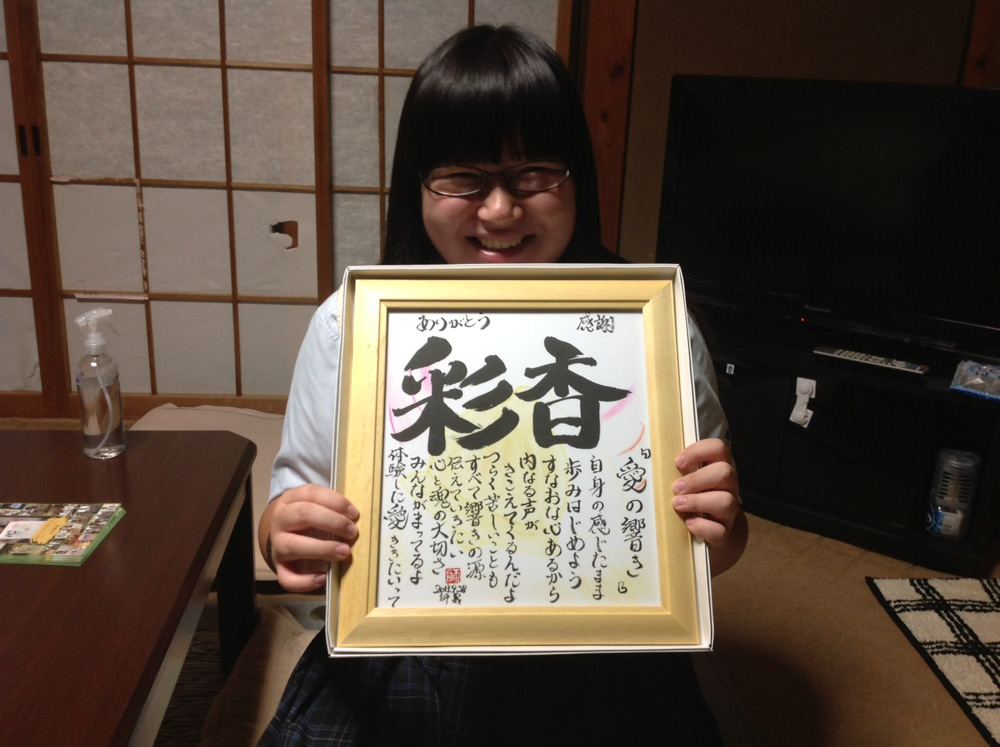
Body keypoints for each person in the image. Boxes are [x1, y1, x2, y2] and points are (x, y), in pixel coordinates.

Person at [258, 24, 747, 745]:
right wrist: (284, 530)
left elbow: (711, 539)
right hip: (404, 650)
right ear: (417, 185)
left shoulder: (650, 324)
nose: (498, 210)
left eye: (534, 174)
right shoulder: (351, 326)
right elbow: (292, 502)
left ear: (577, 177)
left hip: (605, 652)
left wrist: (722, 528)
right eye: (463, 178)